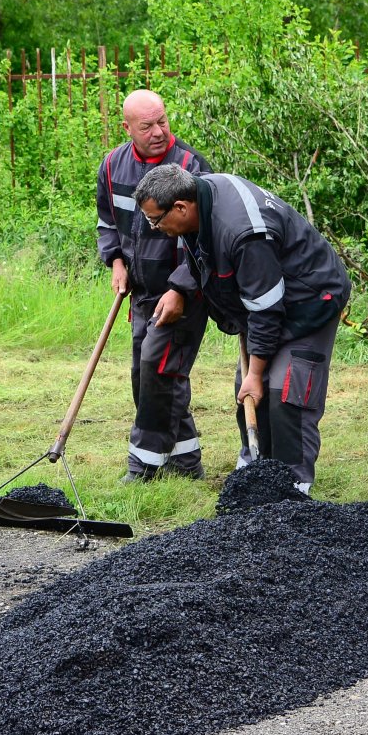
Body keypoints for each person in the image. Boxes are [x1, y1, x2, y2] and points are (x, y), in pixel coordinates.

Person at [133, 165, 351, 495]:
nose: (155, 227)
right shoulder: (200, 200)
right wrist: (181, 286)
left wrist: (257, 372)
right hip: (266, 299)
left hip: (310, 300)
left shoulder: (244, 232)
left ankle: (292, 492)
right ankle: (254, 471)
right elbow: (208, 263)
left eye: (156, 220)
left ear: (180, 207)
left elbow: (266, 311)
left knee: (285, 392)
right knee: (249, 389)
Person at [95, 90, 214, 483]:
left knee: (159, 370)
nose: (159, 131)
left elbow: (207, 238)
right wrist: (115, 261)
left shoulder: (190, 166)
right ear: (127, 128)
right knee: (145, 376)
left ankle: (143, 466)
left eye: (162, 120)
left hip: (183, 293)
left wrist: (181, 288)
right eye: (147, 126)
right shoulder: (112, 167)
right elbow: (108, 222)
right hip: (142, 293)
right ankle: (185, 460)